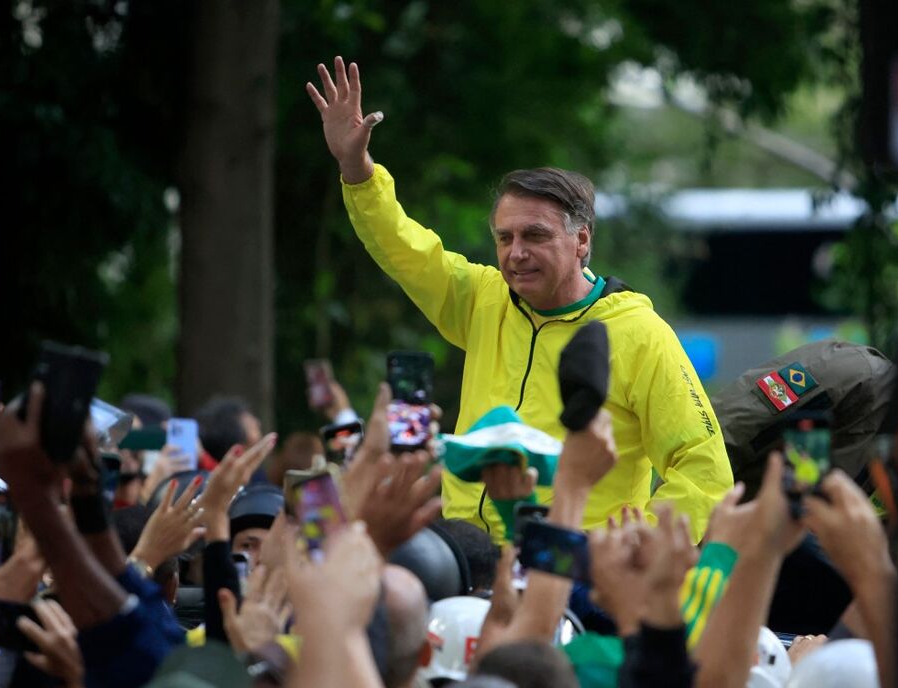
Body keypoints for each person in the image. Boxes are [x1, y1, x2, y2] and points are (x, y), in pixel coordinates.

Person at [306, 57, 733, 540]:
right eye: (505, 238)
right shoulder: (484, 298)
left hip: (570, 569)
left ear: (582, 241)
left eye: (535, 235)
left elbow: (704, 469)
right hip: (464, 559)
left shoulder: (640, 332)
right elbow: (403, 247)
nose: (517, 254)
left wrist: (633, 544)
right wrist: (355, 168)